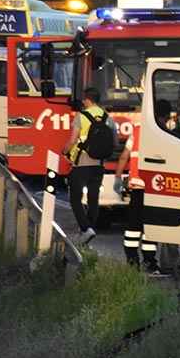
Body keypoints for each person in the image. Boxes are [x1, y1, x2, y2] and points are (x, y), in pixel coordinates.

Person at [118, 99, 174, 272]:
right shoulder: (165, 134)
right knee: (150, 225)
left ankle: (132, 261)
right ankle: (150, 262)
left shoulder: (137, 131)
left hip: (136, 187)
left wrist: (118, 179)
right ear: (165, 116)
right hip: (154, 188)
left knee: (133, 225)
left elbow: (124, 156)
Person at [61, 87, 114, 245]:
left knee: (75, 199)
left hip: (81, 162)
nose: (83, 102)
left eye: (84, 99)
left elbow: (72, 140)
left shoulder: (81, 116)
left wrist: (64, 151)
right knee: (93, 198)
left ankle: (85, 228)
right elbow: (114, 141)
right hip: (99, 163)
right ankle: (90, 228)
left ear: (88, 100)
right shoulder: (107, 117)